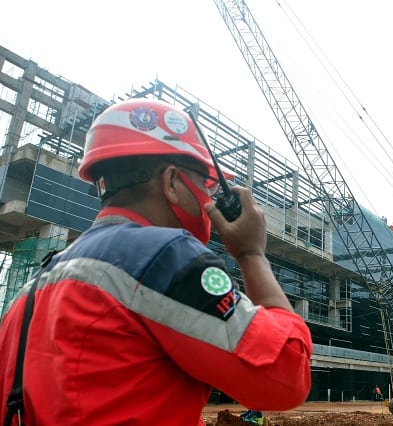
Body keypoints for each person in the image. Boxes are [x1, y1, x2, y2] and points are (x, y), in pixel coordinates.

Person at [0, 98, 312, 425]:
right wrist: (252, 255)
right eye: (206, 185)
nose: (209, 200)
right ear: (173, 182)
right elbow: (288, 374)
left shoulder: (30, 290)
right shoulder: (165, 255)